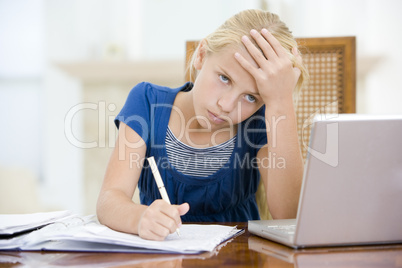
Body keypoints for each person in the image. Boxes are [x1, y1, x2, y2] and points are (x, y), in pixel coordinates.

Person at [96, 9, 308, 241]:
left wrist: (280, 102)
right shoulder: (147, 102)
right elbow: (109, 200)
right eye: (224, 78)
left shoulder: (261, 120)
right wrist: (138, 218)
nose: (226, 105)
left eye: (250, 97)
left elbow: (289, 217)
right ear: (201, 54)